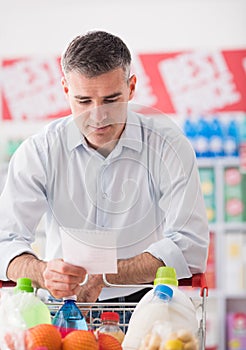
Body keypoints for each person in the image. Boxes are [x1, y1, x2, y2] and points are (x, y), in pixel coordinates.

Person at [0, 30, 209, 304]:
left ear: (131, 88)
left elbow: (190, 245)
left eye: (111, 100)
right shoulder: (40, 150)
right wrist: (43, 272)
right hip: (61, 303)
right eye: (84, 101)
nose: (97, 117)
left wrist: (105, 275)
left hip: (145, 302)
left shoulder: (167, 145)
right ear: (66, 90)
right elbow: (5, 240)